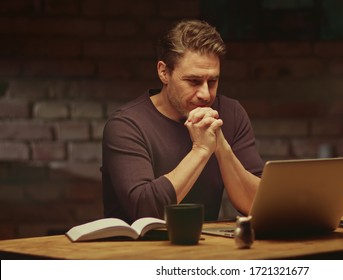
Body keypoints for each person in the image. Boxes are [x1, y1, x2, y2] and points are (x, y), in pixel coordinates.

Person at [101, 19, 264, 223]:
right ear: (163, 72)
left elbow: (259, 206)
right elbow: (145, 209)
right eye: (194, 81)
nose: (205, 94)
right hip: (136, 250)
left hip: (202, 249)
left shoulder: (230, 114)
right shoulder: (126, 125)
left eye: (212, 81)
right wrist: (201, 150)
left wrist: (222, 147)